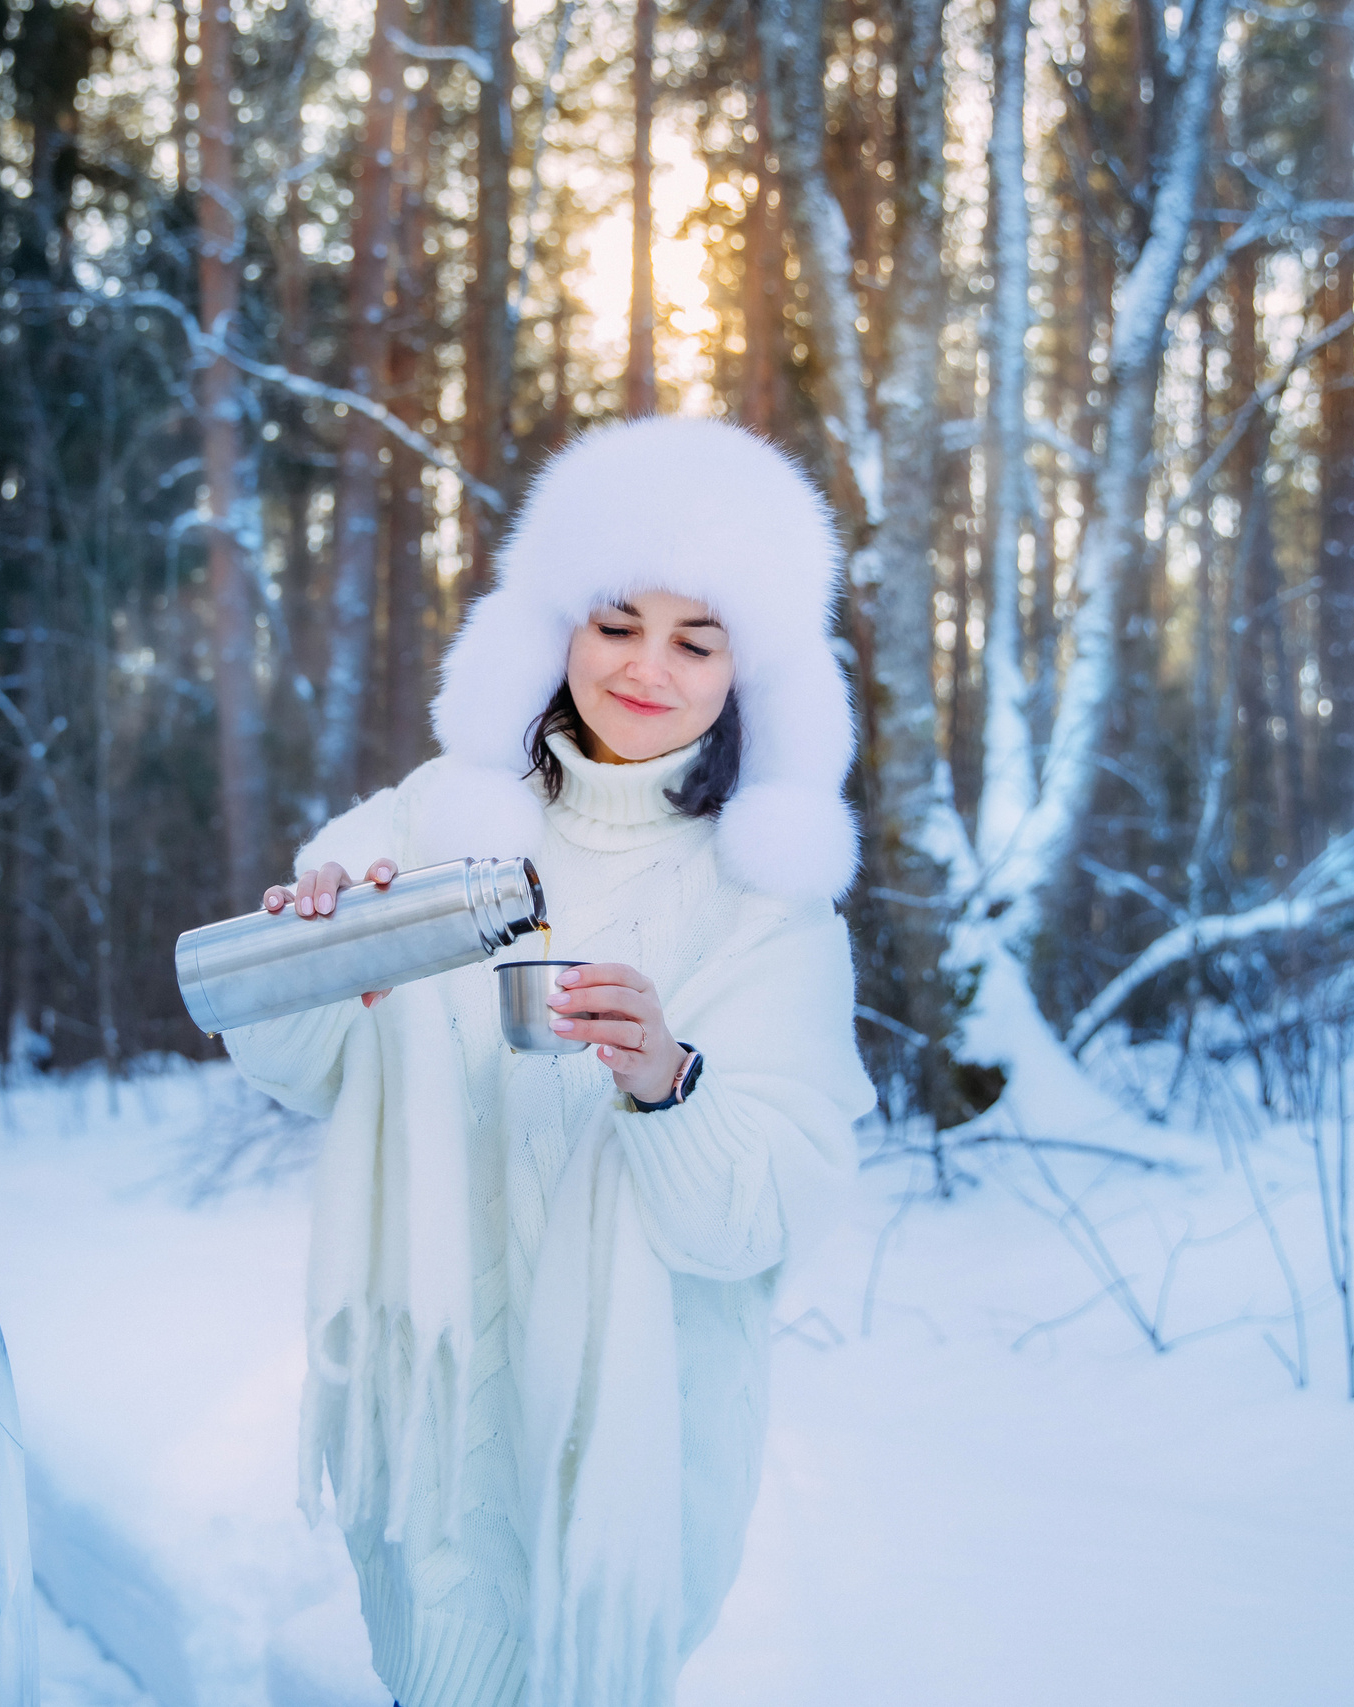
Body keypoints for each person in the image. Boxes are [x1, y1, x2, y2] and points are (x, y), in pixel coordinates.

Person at [224, 416, 872, 1707]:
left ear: (751, 676)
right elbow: (284, 1059)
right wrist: (319, 952)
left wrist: (668, 1082)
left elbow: (773, 1208)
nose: (647, 669)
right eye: (617, 622)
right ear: (556, 626)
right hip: (435, 1433)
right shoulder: (434, 820)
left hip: (630, 1463)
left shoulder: (766, 906)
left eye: (699, 641)